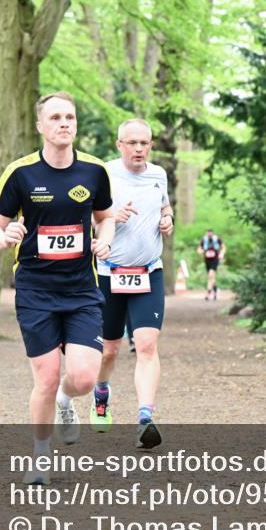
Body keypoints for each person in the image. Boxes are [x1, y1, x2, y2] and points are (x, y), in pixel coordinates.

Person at [0, 91, 114, 485]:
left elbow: (105, 217)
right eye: (55, 117)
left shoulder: (94, 171)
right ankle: (40, 456)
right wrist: (4, 235)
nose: (64, 124)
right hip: (36, 290)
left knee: (85, 377)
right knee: (45, 376)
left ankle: (66, 400)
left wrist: (105, 237)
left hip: (80, 290)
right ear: (41, 126)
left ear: (76, 125)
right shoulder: (20, 173)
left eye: (70, 117)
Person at [90, 118, 174, 449]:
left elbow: (165, 207)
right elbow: (84, 216)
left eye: (145, 143)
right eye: (132, 143)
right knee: (109, 349)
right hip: (110, 274)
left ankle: (145, 418)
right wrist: (109, 217)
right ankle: (100, 392)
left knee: (147, 346)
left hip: (148, 271)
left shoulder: (158, 175)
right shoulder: (103, 175)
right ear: (119, 145)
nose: (139, 149)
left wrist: (167, 219)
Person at [197, 229, 225, 300]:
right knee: (211, 277)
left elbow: (223, 247)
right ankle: (216, 291)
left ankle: (208, 293)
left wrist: (221, 254)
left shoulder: (217, 239)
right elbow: (199, 249)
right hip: (207, 261)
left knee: (210, 275)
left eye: (210, 233)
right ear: (206, 233)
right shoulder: (204, 240)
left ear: (213, 233)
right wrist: (201, 251)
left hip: (215, 260)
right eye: (208, 233)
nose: (209, 235)